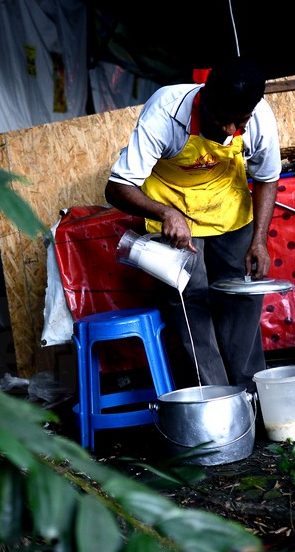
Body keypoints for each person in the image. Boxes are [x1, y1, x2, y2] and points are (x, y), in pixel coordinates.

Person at [104, 57, 281, 390]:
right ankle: (217, 404)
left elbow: (267, 178)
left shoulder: (259, 118)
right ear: (204, 98)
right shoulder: (165, 114)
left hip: (229, 214)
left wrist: (259, 240)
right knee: (192, 308)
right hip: (174, 219)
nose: (230, 131)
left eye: (238, 122)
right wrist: (165, 213)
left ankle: (252, 397)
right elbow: (116, 186)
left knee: (241, 303)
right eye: (222, 119)